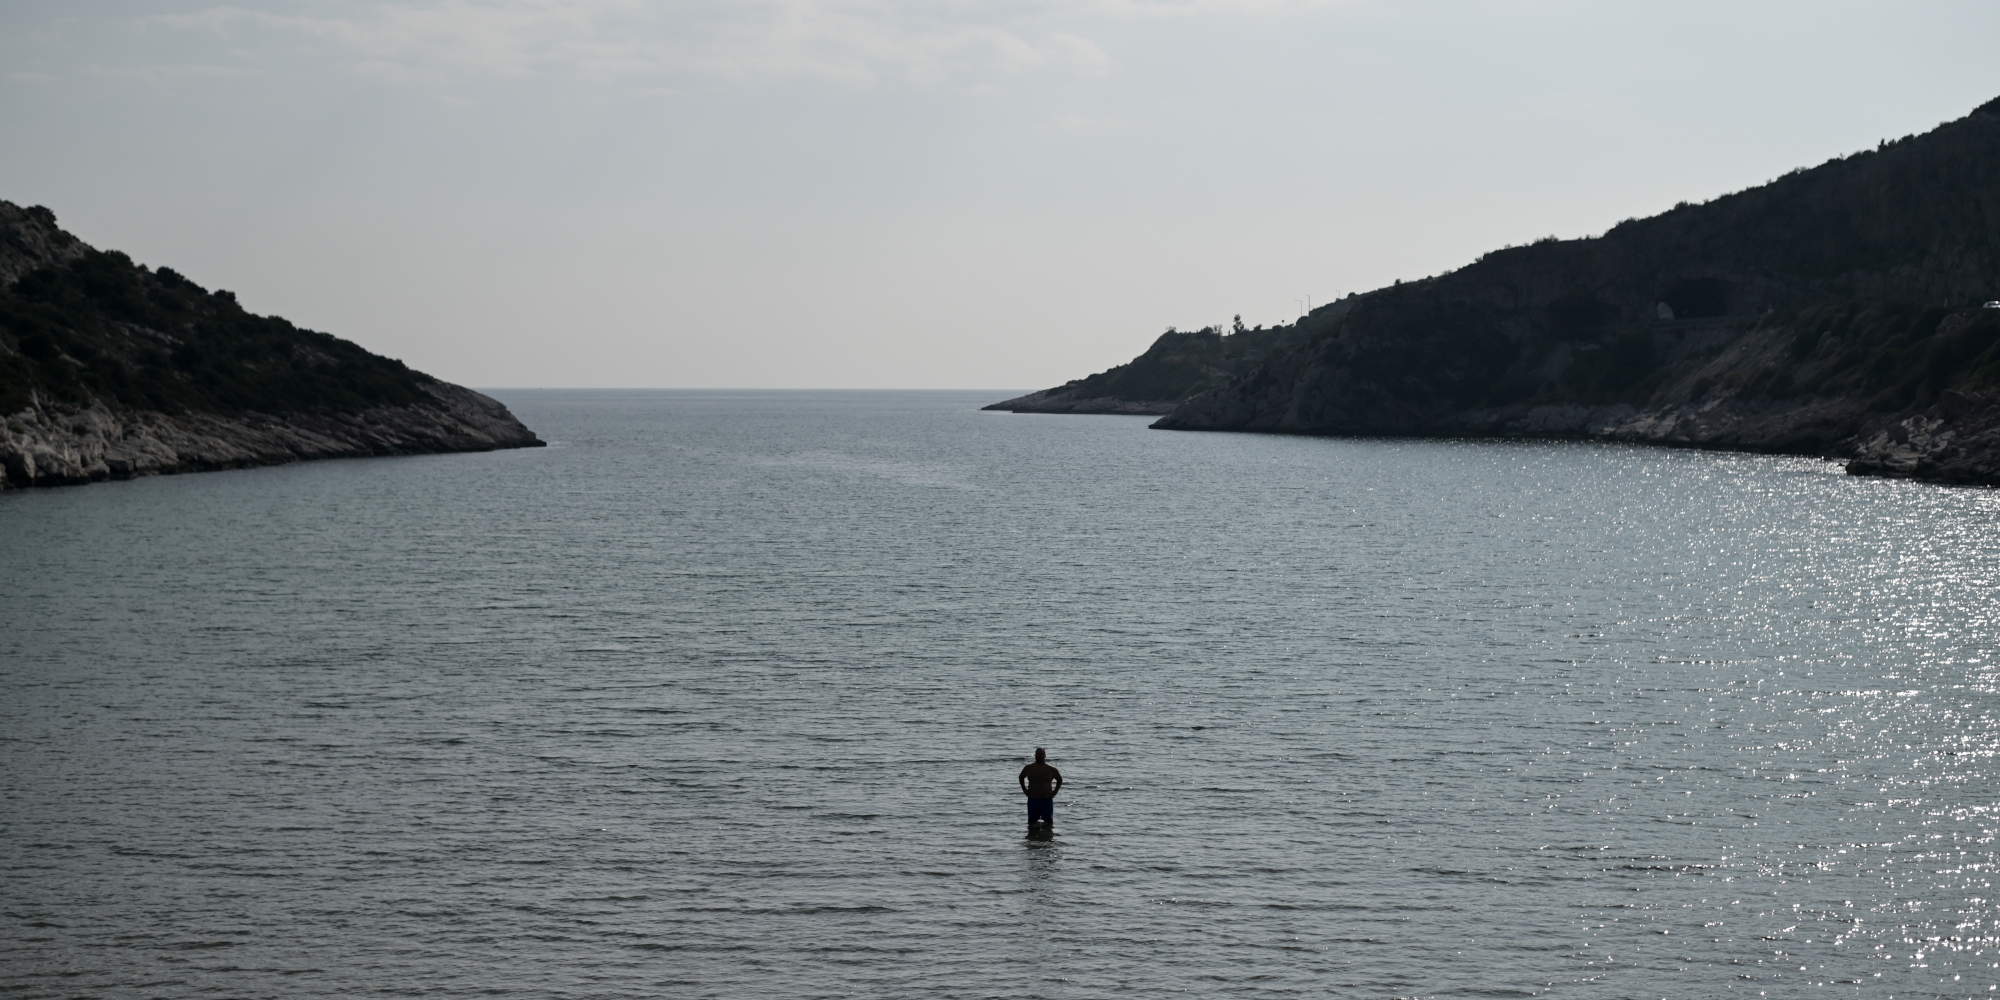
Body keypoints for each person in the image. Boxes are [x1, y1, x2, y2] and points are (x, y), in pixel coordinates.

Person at [1018, 747, 1063, 831]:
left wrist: (1055, 792)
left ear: (1045, 756)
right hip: (1033, 799)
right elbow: (1021, 777)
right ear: (1035, 756)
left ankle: (1047, 842)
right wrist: (1024, 790)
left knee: (1048, 824)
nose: (1039, 756)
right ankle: (1033, 842)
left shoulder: (1051, 769)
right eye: (1038, 754)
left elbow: (1059, 780)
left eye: (1041, 754)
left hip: (1046, 799)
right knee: (1031, 823)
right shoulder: (1029, 768)